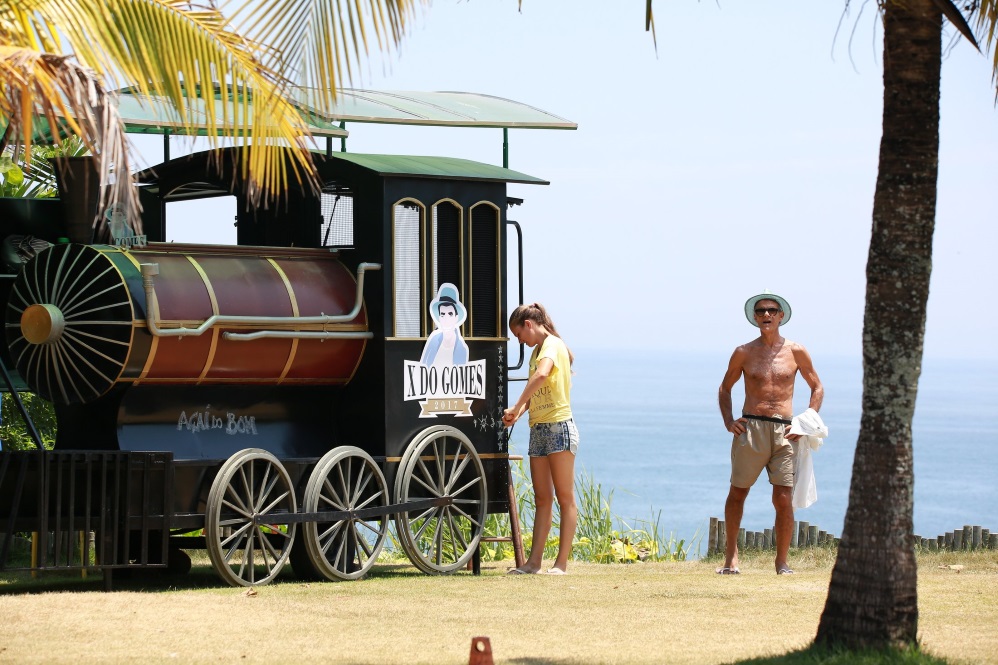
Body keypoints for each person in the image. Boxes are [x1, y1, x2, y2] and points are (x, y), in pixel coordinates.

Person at [717, 292, 823, 575]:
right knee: (738, 493)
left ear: (781, 316)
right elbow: (725, 388)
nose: (766, 315)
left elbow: (817, 387)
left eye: (772, 310)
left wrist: (807, 421)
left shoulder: (796, 351)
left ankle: (782, 562)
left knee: (783, 498)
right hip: (751, 429)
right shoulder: (744, 352)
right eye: (761, 311)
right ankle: (731, 559)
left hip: (784, 432)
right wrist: (729, 421)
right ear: (754, 317)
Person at [502, 303, 578, 575]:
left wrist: (516, 405)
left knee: (565, 498)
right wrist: (517, 413)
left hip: (559, 427)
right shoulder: (537, 351)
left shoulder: (553, 345)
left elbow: (542, 375)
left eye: (518, 334)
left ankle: (561, 564)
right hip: (539, 429)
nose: (519, 340)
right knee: (543, 499)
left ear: (528, 325)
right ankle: (533, 564)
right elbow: (534, 391)